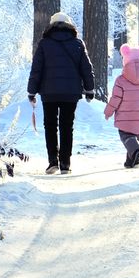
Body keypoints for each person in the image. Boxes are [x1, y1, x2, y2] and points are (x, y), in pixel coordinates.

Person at [27, 12, 95, 174]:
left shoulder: (44, 44)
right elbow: (86, 68)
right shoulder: (77, 43)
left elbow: (36, 69)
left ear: (51, 26)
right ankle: (65, 163)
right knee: (67, 126)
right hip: (70, 93)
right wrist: (89, 88)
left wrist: (32, 91)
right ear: (69, 25)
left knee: (50, 126)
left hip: (49, 92)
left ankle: (52, 162)